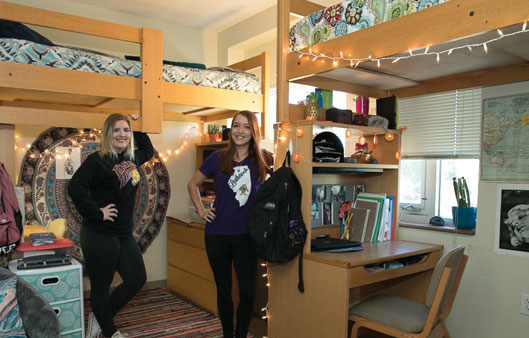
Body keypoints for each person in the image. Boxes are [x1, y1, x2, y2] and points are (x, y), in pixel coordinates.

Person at [187, 111, 273, 338]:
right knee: (224, 291)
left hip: (246, 236)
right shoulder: (216, 158)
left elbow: (273, 191)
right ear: (231, 129)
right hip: (217, 235)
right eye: (236, 126)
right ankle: (228, 335)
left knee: (247, 293)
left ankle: (241, 334)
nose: (240, 131)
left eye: (246, 127)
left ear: (254, 132)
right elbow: (192, 184)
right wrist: (201, 210)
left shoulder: (263, 159)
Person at [68, 113, 154, 338]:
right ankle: (110, 332)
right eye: (116, 130)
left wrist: (139, 123)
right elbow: (75, 187)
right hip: (99, 234)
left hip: (123, 233)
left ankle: (99, 317)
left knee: (137, 279)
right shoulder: (98, 160)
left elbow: (149, 149)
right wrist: (97, 213)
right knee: (101, 285)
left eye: (126, 130)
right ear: (107, 134)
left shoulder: (133, 157)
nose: (122, 134)